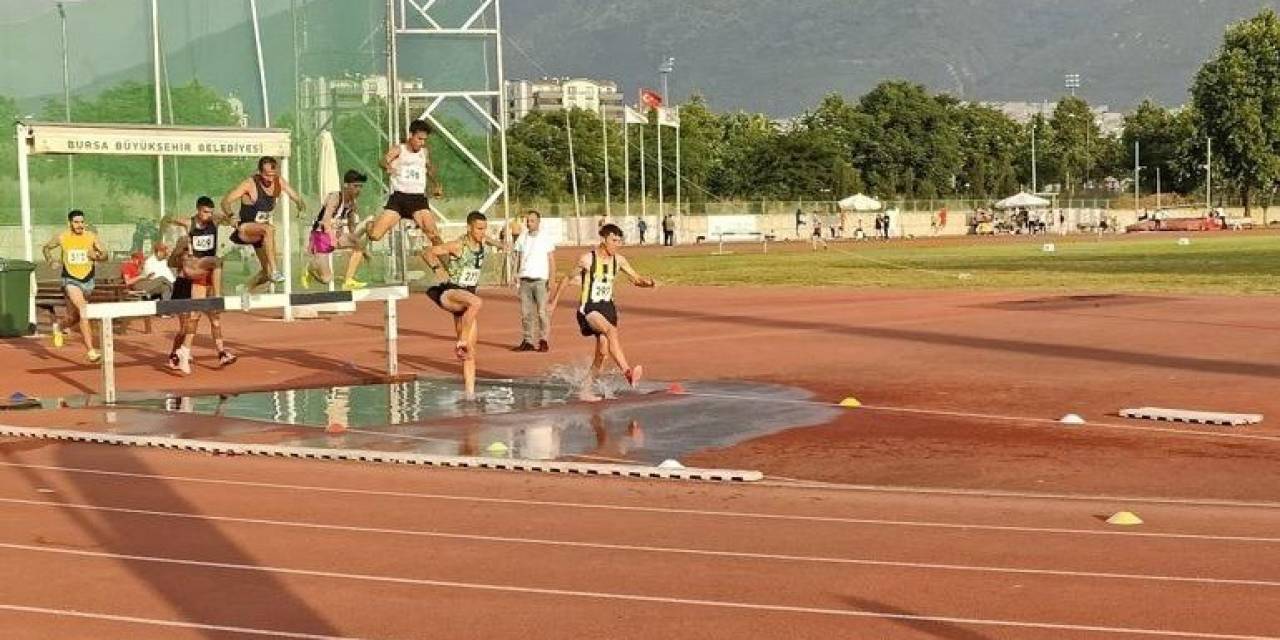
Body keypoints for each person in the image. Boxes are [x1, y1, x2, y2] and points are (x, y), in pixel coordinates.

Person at [550, 223, 656, 402]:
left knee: (603, 353)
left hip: (608, 309)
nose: (617, 244)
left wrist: (647, 282)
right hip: (589, 308)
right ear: (604, 239)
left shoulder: (619, 260)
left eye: (619, 241)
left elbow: (635, 278)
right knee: (611, 331)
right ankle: (628, 373)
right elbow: (567, 278)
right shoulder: (587, 259)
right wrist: (554, 302)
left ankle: (585, 389)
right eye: (614, 240)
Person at [164, 196, 237, 373]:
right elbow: (169, 219)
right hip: (190, 278)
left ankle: (220, 353)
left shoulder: (215, 220)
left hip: (208, 273)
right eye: (205, 212)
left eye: (210, 212)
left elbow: (229, 217)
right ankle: (178, 352)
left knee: (215, 318)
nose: (208, 215)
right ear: (197, 210)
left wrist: (233, 219)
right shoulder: (187, 227)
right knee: (189, 321)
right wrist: (166, 221)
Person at [423, 211, 490, 401]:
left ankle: (470, 394)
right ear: (469, 227)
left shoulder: (482, 244)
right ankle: (461, 340)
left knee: (470, 352)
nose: (482, 232)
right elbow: (428, 252)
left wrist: (503, 245)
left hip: (466, 304)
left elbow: (490, 240)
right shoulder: (458, 245)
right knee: (476, 302)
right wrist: (437, 269)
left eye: (485, 229)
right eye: (479, 228)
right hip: (451, 293)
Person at [222, 156, 305, 290]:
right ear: (260, 173)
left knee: (265, 274)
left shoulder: (279, 182)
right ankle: (275, 271)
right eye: (267, 175)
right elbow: (225, 201)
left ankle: (245, 289)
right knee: (269, 229)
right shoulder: (250, 184)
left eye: (273, 175)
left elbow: (297, 199)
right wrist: (231, 216)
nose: (270, 179)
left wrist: (301, 208)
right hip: (245, 229)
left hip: (261, 235)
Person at [366, 119, 445, 250]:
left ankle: (451, 269)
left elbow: (428, 169)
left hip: (418, 199)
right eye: (419, 139)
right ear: (411, 135)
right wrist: (388, 167)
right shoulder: (399, 149)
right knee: (375, 236)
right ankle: (368, 224)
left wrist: (436, 184)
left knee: (434, 236)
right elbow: (383, 161)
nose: (422, 142)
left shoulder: (424, 152)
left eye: (424, 140)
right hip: (399, 198)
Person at [42, 210, 107, 362]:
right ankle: (91, 351)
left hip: (88, 280)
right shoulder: (62, 237)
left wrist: (97, 256)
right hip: (70, 280)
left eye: (82, 222)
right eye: (76, 222)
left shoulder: (91, 237)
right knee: (84, 310)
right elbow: (46, 248)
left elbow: (105, 254)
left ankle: (59, 326)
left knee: (75, 317)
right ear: (70, 223)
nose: (79, 225)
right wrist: (51, 261)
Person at [303, 170, 370, 290]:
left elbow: (351, 226)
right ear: (346, 185)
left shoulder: (353, 203)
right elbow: (325, 221)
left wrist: (360, 248)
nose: (358, 190)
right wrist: (333, 238)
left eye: (360, 187)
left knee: (359, 243)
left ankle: (348, 280)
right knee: (326, 279)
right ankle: (310, 267)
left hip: (336, 237)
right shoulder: (335, 197)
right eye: (355, 186)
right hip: (320, 237)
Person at [512, 210, 556, 352]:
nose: (529, 223)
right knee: (526, 313)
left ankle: (543, 340)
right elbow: (518, 257)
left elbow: (551, 260)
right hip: (525, 279)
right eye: (527, 221)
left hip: (540, 280)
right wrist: (515, 274)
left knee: (542, 313)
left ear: (538, 222)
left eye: (532, 220)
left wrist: (552, 279)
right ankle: (528, 340)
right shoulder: (522, 238)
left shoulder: (545, 238)